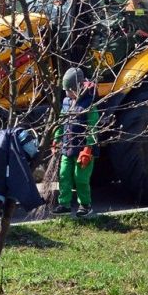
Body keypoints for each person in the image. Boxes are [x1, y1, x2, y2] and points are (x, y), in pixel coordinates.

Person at [56, 67, 99, 215]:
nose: (67, 93)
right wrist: (57, 139)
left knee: (80, 178)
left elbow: (93, 127)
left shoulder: (89, 104)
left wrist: (88, 148)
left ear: (79, 88)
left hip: (83, 149)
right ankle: (64, 204)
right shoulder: (67, 102)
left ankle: (85, 205)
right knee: (63, 175)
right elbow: (62, 122)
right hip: (67, 147)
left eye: (70, 90)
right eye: (66, 90)